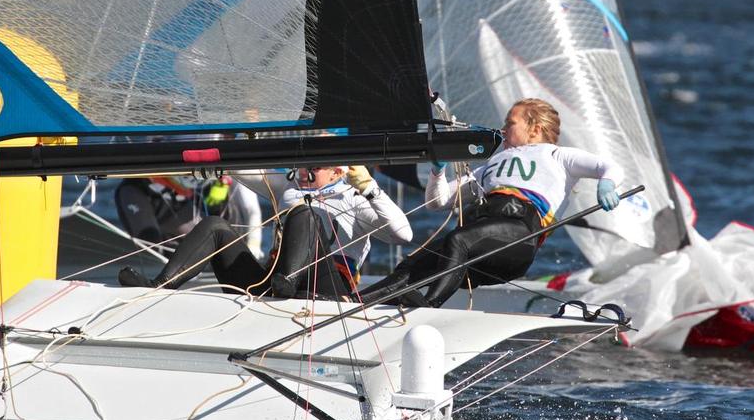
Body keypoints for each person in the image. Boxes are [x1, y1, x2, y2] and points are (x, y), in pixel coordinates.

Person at [361, 98, 624, 307]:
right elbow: (437, 202)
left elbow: (607, 166)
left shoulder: (557, 155)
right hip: (484, 234)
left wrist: (607, 183)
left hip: (518, 236)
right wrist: (437, 171)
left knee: (458, 240)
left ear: (535, 129)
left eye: (510, 123)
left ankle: (428, 305)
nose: (502, 129)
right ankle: (357, 303)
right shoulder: (491, 165)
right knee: (415, 264)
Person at [118, 165, 412, 299]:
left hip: (327, 289)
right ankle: (161, 284)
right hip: (271, 282)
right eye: (302, 165)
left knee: (306, 213)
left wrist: (371, 188)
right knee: (214, 226)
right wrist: (219, 162)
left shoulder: (355, 198)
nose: (303, 171)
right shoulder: (289, 187)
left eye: (315, 167)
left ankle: (288, 283)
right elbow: (242, 170)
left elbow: (404, 236)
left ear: (338, 172)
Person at [115, 174, 263, 259]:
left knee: (221, 228)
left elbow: (250, 211)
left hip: (182, 190)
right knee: (149, 242)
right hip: (141, 188)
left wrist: (253, 245)